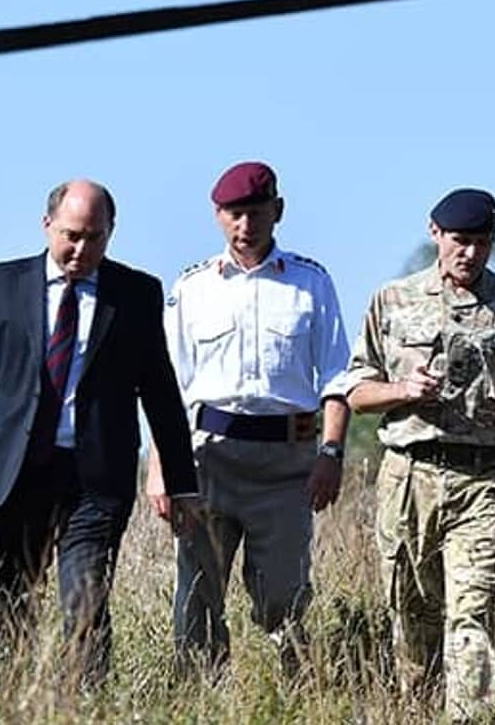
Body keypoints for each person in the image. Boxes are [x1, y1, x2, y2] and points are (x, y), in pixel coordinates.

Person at [0, 179, 199, 685]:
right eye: (71, 236)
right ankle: (8, 703)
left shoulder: (136, 294)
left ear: (111, 233)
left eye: (95, 238)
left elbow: (161, 394)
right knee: (10, 602)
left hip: (95, 479)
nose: (81, 249)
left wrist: (180, 481)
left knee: (86, 600)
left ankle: (86, 704)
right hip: (16, 472)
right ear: (47, 225)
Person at [343, 187, 495, 722]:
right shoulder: (393, 300)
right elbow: (357, 391)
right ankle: (418, 712)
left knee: (471, 617)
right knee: (412, 620)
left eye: (483, 242)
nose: (471, 253)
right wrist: (403, 391)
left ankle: (471, 717)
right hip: (409, 477)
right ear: (435, 233)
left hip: (483, 481)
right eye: (460, 240)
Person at [147, 161, 354, 674]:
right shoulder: (192, 287)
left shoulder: (310, 283)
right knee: (199, 593)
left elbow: (336, 376)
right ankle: (199, 695)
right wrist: (160, 466)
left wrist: (331, 452)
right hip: (207, 459)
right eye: (233, 214)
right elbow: (166, 386)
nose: (245, 225)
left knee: (283, 596)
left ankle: (295, 692)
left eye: (256, 213)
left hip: (287, 463)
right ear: (217, 216)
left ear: (277, 211)